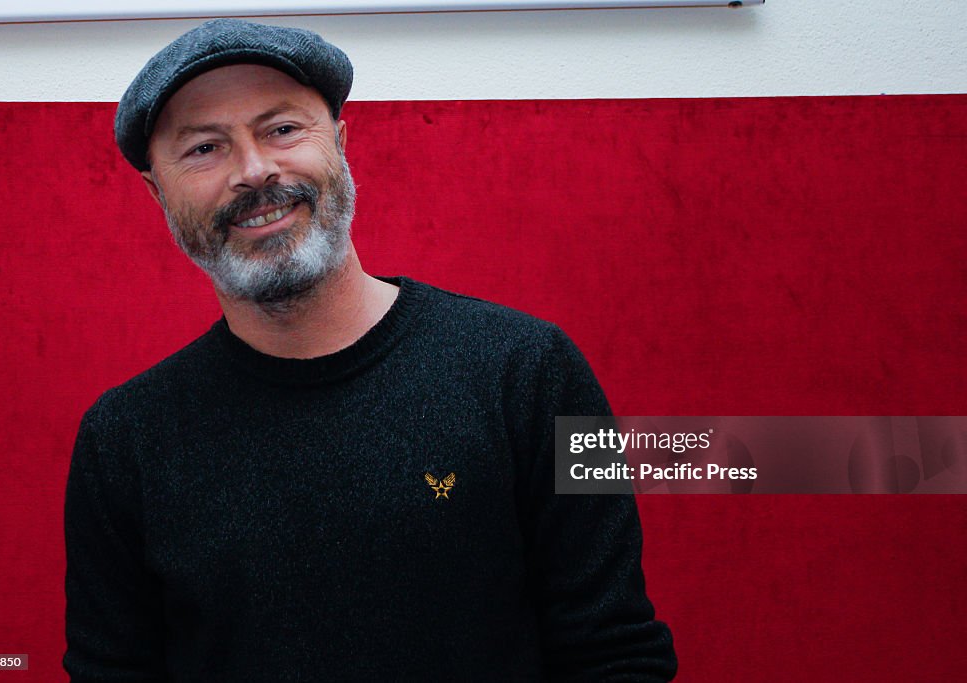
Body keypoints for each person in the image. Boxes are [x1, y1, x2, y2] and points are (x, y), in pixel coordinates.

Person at [63, 18, 677, 682]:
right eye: (205, 148)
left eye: (282, 129)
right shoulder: (122, 439)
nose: (255, 170)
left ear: (342, 144)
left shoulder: (531, 372)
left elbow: (615, 655)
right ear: (159, 192)